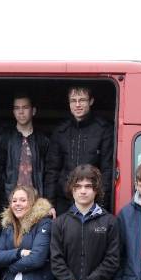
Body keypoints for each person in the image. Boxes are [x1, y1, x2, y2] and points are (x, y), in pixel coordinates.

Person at [45, 86, 114, 215]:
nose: (77, 105)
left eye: (82, 100)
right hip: (63, 202)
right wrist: (50, 204)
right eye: (73, 100)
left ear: (91, 101)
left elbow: (107, 170)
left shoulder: (103, 130)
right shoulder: (61, 131)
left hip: (92, 201)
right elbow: (52, 170)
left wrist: (101, 206)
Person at [0, 93, 51, 214]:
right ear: (13, 112)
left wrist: (49, 203)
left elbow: (49, 175)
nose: (21, 112)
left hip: (36, 203)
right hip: (9, 203)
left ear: (33, 111)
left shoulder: (43, 140)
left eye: (25, 107)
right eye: (17, 108)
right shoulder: (4, 139)